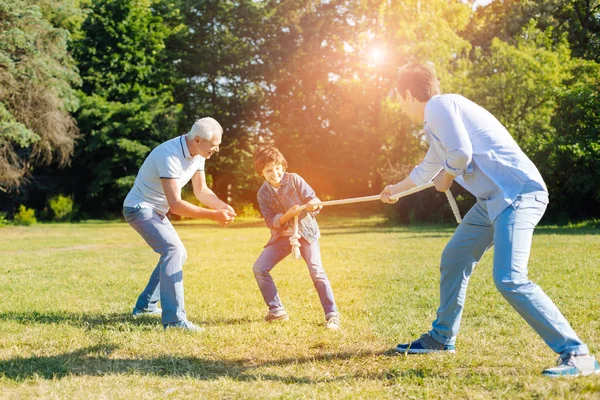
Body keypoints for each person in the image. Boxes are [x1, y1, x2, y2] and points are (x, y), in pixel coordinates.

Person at [380, 63, 599, 377]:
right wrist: (397, 190)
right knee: (455, 257)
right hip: (492, 201)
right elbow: (428, 168)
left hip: (518, 194)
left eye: (399, 100)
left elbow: (460, 153)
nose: (400, 107)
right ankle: (441, 339)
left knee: (509, 278)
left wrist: (449, 175)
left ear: (407, 94)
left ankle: (578, 355)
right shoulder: (436, 122)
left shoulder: (440, 106)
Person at [123, 117, 236, 332]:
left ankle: (145, 306)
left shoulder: (199, 154)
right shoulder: (170, 154)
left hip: (155, 210)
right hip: (139, 208)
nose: (217, 150)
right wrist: (214, 216)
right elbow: (175, 205)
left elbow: (201, 190)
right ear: (197, 140)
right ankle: (174, 321)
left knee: (177, 253)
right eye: (214, 146)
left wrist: (222, 206)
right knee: (173, 250)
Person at [252, 146, 340, 329]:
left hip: (306, 234)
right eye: (268, 170)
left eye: (277, 168)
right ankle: (277, 311)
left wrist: (312, 206)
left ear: (282, 166)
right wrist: (286, 215)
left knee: (316, 271)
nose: (274, 173)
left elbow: (315, 201)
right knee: (260, 268)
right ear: (262, 173)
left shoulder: (294, 180)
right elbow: (270, 221)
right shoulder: (263, 193)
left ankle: (332, 315)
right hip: (282, 238)